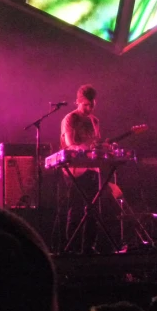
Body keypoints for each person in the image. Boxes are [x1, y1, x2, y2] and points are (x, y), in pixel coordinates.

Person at [60, 84, 103, 253]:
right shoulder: (70, 119)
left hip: (92, 168)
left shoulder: (95, 121)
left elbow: (96, 143)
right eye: (85, 105)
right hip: (75, 168)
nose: (89, 108)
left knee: (93, 208)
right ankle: (72, 248)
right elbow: (71, 144)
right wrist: (84, 148)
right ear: (77, 102)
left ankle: (89, 247)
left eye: (91, 105)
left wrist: (102, 147)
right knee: (76, 207)